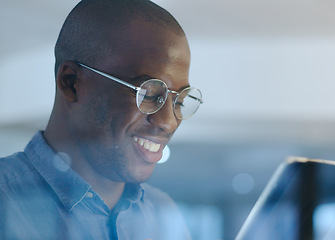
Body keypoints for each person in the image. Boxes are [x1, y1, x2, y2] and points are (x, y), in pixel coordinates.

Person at [0, 0, 202, 239]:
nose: (168, 122)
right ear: (71, 83)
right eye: (148, 93)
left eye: (179, 100)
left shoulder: (163, 213)